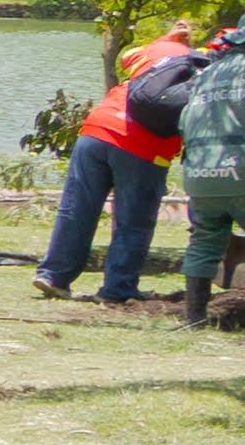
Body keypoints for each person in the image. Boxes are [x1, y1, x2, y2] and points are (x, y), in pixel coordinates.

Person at [38, 20, 197, 303]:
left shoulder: (159, 50)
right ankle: (118, 289)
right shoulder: (208, 65)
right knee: (133, 220)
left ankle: (54, 275)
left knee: (77, 208)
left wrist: (169, 37)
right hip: (144, 146)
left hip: (97, 130)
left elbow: (127, 59)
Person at [174, 37, 245, 329]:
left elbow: (183, 123)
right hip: (240, 169)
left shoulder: (208, 74)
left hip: (202, 174)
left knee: (203, 243)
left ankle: (194, 319)